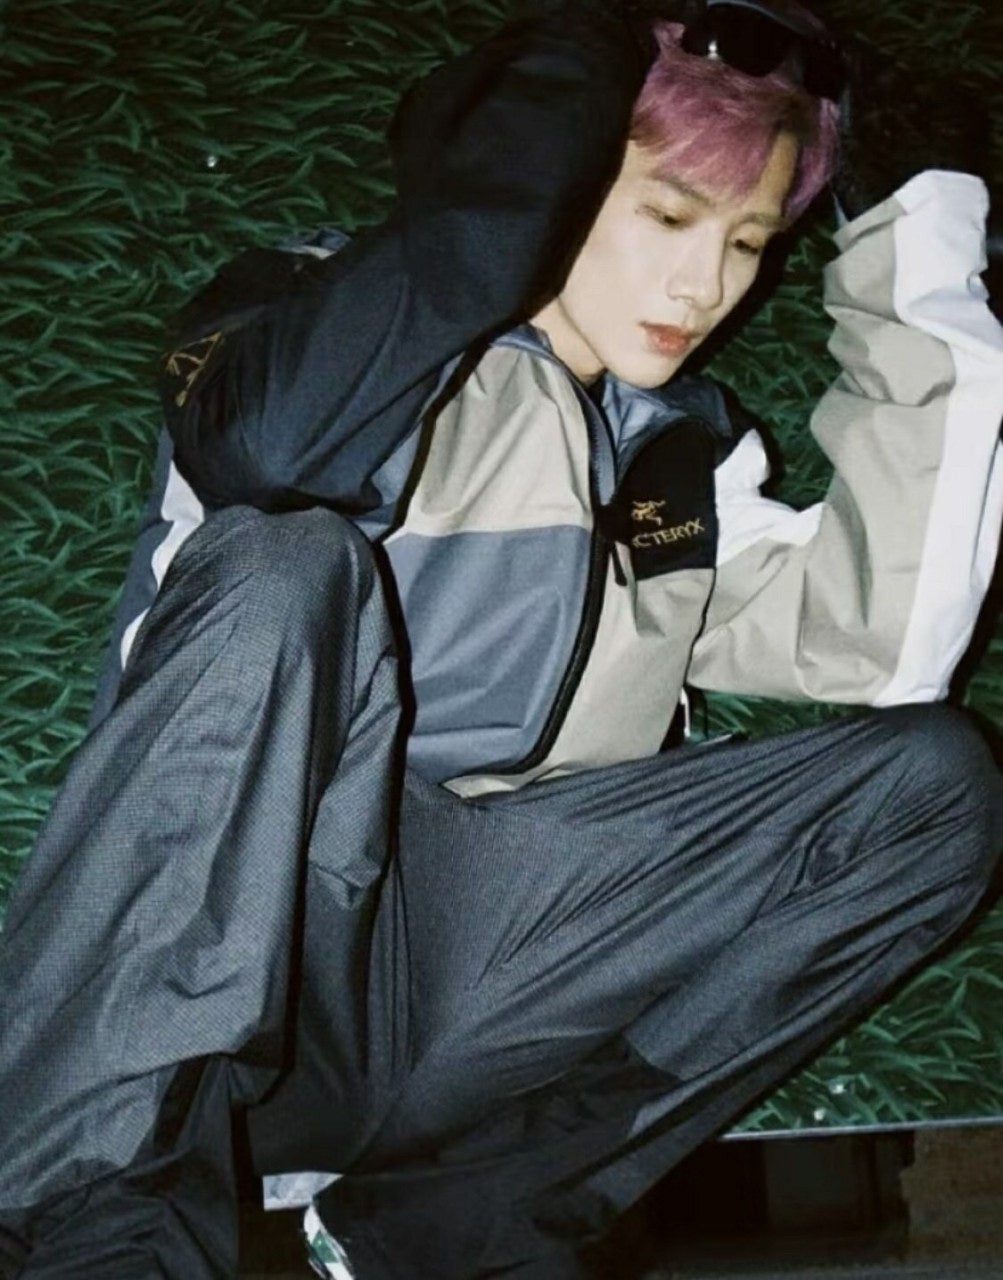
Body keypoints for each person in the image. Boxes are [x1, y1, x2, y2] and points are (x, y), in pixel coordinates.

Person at [1, 1, 1002, 1277]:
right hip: (251, 947)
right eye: (667, 216)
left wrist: (920, 241)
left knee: (936, 790)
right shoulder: (321, 324)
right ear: (557, 170)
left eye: (747, 241)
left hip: (497, 979)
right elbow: (261, 452)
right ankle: (81, 1230)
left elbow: (885, 642)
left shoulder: (677, 457)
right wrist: (556, 104)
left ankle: (446, 1227)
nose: (705, 285)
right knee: (282, 563)